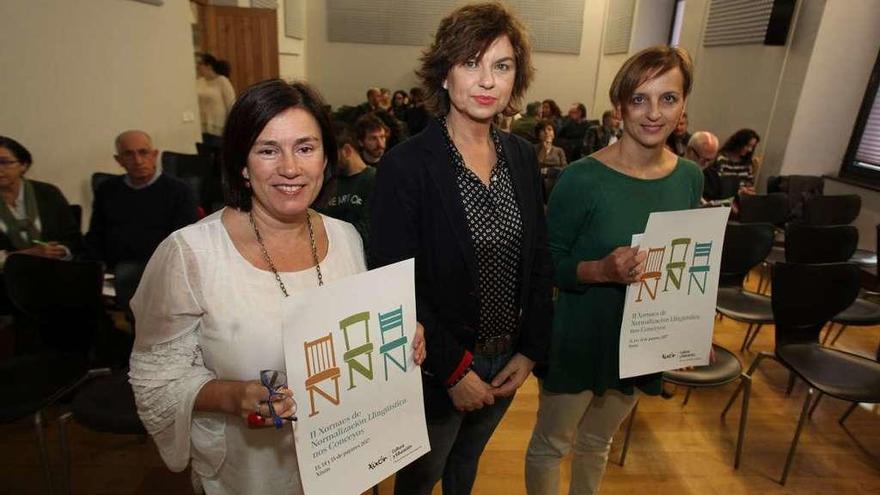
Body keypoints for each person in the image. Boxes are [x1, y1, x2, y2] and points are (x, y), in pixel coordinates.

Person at [128, 79, 425, 494]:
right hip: (251, 474)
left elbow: (353, 339)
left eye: (305, 148)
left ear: (326, 158)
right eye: (268, 150)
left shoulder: (346, 238)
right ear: (242, 165)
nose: (291, 167)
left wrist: (397, 337)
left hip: (344, 464)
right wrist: (233, 397)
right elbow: (155, 378)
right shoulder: (191, 254)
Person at [370, 4, 553, 494]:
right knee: (421, 476)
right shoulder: (405, 167)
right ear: (444, 74)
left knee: (466, 464)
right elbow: (395, 283)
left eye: (502, 65)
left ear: (517, 79)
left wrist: (531, 349)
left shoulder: (520, 156)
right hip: (436, 367)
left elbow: (537, 259)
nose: (487, 80)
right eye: (470, 63)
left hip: (505, 358)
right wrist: (453, 370)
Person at [525, 45, 703, 495]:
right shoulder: (582, 178)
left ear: (683, 106)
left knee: (598, 441)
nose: (653, 113)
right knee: (552, 444)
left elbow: (682, 263)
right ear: (620, 105)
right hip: (582, 332)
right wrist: (600, 270)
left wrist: (684, 326)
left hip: (642, 339)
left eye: (668, 98)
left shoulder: (689, 178)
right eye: (640, 99)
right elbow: (546, 265)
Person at [85, 130, 198, 271]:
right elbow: (95, 236)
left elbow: (183, 242)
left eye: (143, 152)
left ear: (154, 155)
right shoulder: (106, 190)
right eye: (128, 154)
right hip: (114, 271)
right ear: (118, 160)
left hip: (161, 270)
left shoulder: (179, 191)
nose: (138, 161)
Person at [0, 136, 81, 261]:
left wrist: (60, 251)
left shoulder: (48, 193)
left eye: (5, 162)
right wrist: (28, 254)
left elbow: (73, 238)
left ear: (24, 165)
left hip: (53, 270)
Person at [314, 122, 377, 250]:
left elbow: (371, 229)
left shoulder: (374, 180)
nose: (326, 162)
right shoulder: (328, 184)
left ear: (347, 150)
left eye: (331, 156)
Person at [196, 53, 236, 148]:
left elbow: (231, 104)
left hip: (219, 127)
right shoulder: (199, 82)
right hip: (203, 127)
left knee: (219, 155)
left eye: (200, 64)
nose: (198, 66)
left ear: (208, 65)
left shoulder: (222, 81)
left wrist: (232, 126)